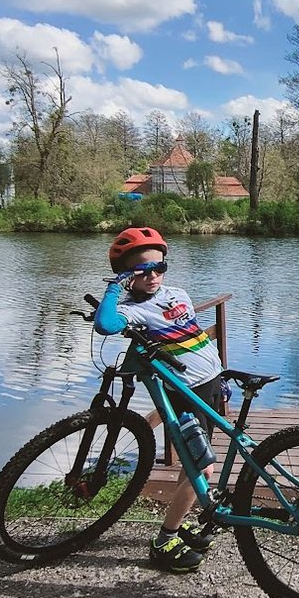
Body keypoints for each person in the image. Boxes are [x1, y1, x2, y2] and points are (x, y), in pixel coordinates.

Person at [92, 226, 225, 573]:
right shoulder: (132, 310)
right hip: (186, 392)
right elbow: (105, 324)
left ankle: (180, 523)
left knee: (195, 464)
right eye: (142, 270)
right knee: (201, 467)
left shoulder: (177, 293)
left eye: (159, 267)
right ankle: (165, 540)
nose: (153, 276)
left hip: (210, 382)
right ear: (127, 275)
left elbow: (192, 335)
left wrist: (221, 377)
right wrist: (113, 288)